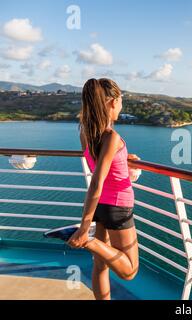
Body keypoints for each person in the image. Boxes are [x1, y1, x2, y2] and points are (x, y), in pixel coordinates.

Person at [44, 78, 140, 300]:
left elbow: (98, 166)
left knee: (101, 266)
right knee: (129, 270)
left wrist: (123, 159)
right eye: (121, 102)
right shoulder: (112, 137)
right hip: (118, 207)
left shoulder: (86, 133)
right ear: (113, 102)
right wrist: (84, 230)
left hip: (102, 207)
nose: (122, 107)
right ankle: (88, 241)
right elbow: (97, 181)